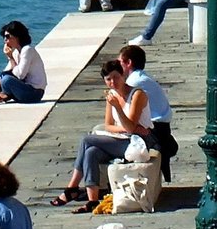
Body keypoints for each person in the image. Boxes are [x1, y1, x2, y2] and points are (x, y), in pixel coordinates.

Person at [49, 59, 152, 212]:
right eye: (108, 79)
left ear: (123, 76)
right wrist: (124, 129)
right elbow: (109, 125)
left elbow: (130, 127)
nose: (113, 82)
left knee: (86, 140)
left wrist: (119, 109)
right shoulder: (112, 95)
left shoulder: (137, 94)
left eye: (116, 77)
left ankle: (72, 188)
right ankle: (93, 200)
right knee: (91, 152)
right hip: (123, 138)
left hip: (138, 142)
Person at [119, 43, 177, 179]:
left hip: (153, 131)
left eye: (120, 62)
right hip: (161, 129)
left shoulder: (134, 82)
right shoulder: (143, 77)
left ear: (128, 63)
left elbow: (127, 115)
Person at [0, 21, 47, 104]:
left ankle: (3, 94)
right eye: (4, 37)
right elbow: (5, 72)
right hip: (21, 88)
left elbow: (20, 75)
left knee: (7, 80)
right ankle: (0, 93)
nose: (5, 40)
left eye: (7, 36)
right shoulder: (16, 52)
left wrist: (11, 58)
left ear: (17, 36)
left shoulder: (27, 50)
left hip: (34, 92)